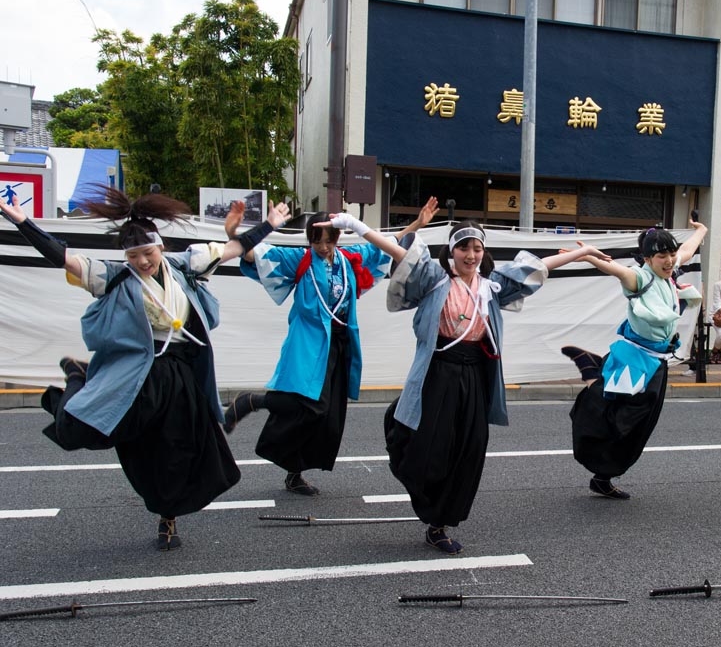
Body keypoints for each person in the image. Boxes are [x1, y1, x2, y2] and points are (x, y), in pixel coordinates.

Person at [0, 186, 291, 549]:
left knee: (175, 450)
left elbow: (235, 247)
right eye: (134, 255)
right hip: (137, 374)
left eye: (148, 253)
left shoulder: (187, 265)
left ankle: (167, 517)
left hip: (180, 375)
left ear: (161, 247)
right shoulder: (114, 277)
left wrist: (269, 224)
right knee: (82, 432)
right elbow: (63, 258)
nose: (142, 262)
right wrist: (22, 222)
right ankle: (76, 380)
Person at [317, 211, 601, 554]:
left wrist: (583, 254)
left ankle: (439, 524)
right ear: (452, 252)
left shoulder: (492, 285)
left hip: (475, 375)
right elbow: (399, 254)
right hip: (439, 373)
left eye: (476, 248)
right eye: (463, 248)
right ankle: (412, 465)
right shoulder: (435, 279)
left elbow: (540, 266)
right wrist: (357, 226)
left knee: (470, 447)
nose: (470, 255)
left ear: (484, 251)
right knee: (431, 447)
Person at [221, 198, 439, 495]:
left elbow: (384, 244)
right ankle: (250, 401)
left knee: (328, 417)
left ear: (337, 237)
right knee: (311, 406)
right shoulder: (299, 259)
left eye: (328, 240)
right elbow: (253, 255)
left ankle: (294, 472)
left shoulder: (348, 257)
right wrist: (233, 232)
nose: (323, 246)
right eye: (317, 240)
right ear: (309, 238)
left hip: (340, 343)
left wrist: (417, 224)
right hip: (309, 343)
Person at [560, 218, 707, 499]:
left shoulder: (671, 271)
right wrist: (586, 255)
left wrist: (701, 230)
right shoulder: (641, 278)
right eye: (661, 255)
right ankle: (591, 408)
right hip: (634, 361)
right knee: (620, 421)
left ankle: (603, 476)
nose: (669, 260)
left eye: (671, 254)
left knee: (637, 427)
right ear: (648, 258)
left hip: (655, 365)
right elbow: (614, 269)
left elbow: (687, 249)